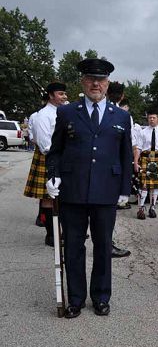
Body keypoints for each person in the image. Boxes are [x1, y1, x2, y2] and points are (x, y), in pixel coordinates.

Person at [46, 58, 133, 318]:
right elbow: (55, 152)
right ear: (83, 82)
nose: (96, 84)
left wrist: (124, 189)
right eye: (91, 79)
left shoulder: (122, 116)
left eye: (101, 80)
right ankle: (75, 299)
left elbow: (125, 154)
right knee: (73, 246)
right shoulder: (67, 112)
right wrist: (53, 175)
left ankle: (101, 297)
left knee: (103, 245)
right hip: (73, 190)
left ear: (107, 84)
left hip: (106, 191)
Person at [23, 82, 67, 246]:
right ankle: (52, 235)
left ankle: (60, 232)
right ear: (51, 95)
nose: (64, 97)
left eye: (64, 94)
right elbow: (44, 143)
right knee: (49, 198)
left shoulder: (62, 112)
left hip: (62, 157)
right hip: (49, 157)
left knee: (60, 197)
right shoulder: (43, 115)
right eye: (60, 94)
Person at [103, 82, 132, 258]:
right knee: (107, 215)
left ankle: (107, 244)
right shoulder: (122, 115)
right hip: (110, 171)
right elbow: (128, 148)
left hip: (112, 171)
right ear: (121, 96)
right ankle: (107, 245)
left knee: (107, 214)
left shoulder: (121, 114)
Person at [133, 108, 158, 219]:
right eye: (150, 118)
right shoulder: (142, 132)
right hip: (145, 159)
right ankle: (141, 209)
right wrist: (136, 162)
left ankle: (152, 208)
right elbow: (138, 148)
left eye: (154, 118)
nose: (151, 120)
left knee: (155, 186)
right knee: (144, 185)